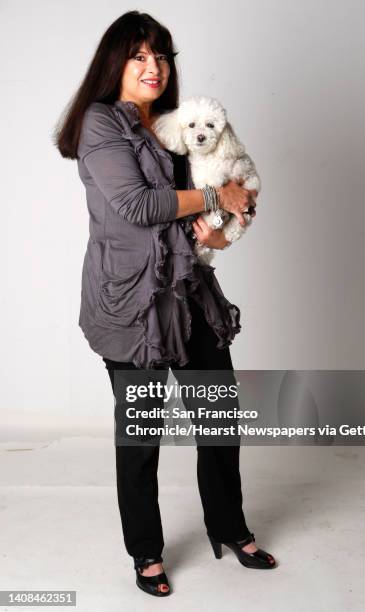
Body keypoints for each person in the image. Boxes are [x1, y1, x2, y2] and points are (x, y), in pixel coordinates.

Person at [54, 10, 276, 598]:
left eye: (161, 56)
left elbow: (232, 189)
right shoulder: (100, 124)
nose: (153, 68)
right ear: (115, 63)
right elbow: (136, 205)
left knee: (218, 417)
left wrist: (230, 219)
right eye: (138, 56)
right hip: (131, 302)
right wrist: (212, 193)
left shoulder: (179, 124)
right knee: (142, 434)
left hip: (186, 290)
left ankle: (230, 529)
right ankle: (146, 554)